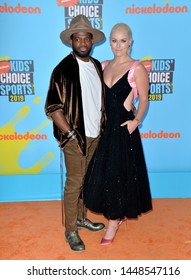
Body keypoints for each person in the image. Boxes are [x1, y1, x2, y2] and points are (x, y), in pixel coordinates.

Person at [83, 23, 152, 245]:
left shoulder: (137, 68)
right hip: (104, 130)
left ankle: (113, 221)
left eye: (123, 41)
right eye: (114, 40)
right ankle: (115, 214)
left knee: (118, 175)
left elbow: (144, 99)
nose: (118, 45)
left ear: (130, 41)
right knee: (104, 175)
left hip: (123, 130)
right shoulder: (103, 65)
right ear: (109, 41)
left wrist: (136, 121)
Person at [44, 15, 106, 252]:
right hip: (74, 137)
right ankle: (71, 230)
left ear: (92, 41)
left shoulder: (97, 66)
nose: (82, 42)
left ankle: (81, 218)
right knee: (74, 183)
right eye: (77, 38)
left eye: (86, 38)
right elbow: (53, 107)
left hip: (95, 134)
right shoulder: (63, 69)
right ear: (72, 40)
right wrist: (70, 134)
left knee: (85, 181)